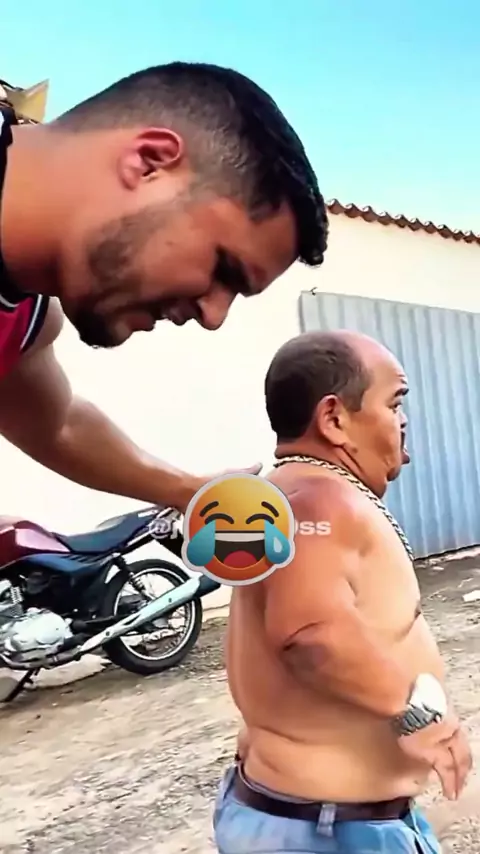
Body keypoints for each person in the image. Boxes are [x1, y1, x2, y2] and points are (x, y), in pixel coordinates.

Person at [0, 63, 327, 511]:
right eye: (224, 269)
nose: (214, 318)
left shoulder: (25, 324)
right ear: (148, 163)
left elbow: (59, 426)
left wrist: (192, 493)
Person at [214, 330, 472, 854]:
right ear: (333, 419)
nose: (402, 420)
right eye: (393, 402)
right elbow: (310, 634)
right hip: (326, 831)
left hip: (316, 819)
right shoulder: (318, 501)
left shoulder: (288, 493)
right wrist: (423, 717)